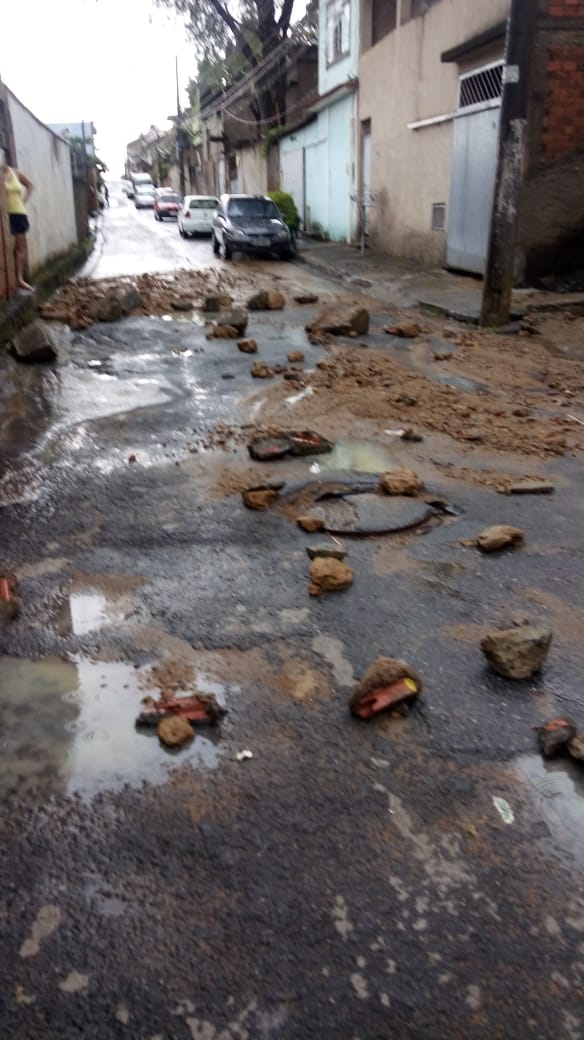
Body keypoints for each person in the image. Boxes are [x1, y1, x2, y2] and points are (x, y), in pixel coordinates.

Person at [2, 148, 34, 291]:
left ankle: (20, 279)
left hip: (19, 214)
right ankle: (8, 283)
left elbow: (30, 185)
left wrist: (24, 201)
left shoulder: (16, 173)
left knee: (20, 248)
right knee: (7, 248)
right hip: (5, 216)